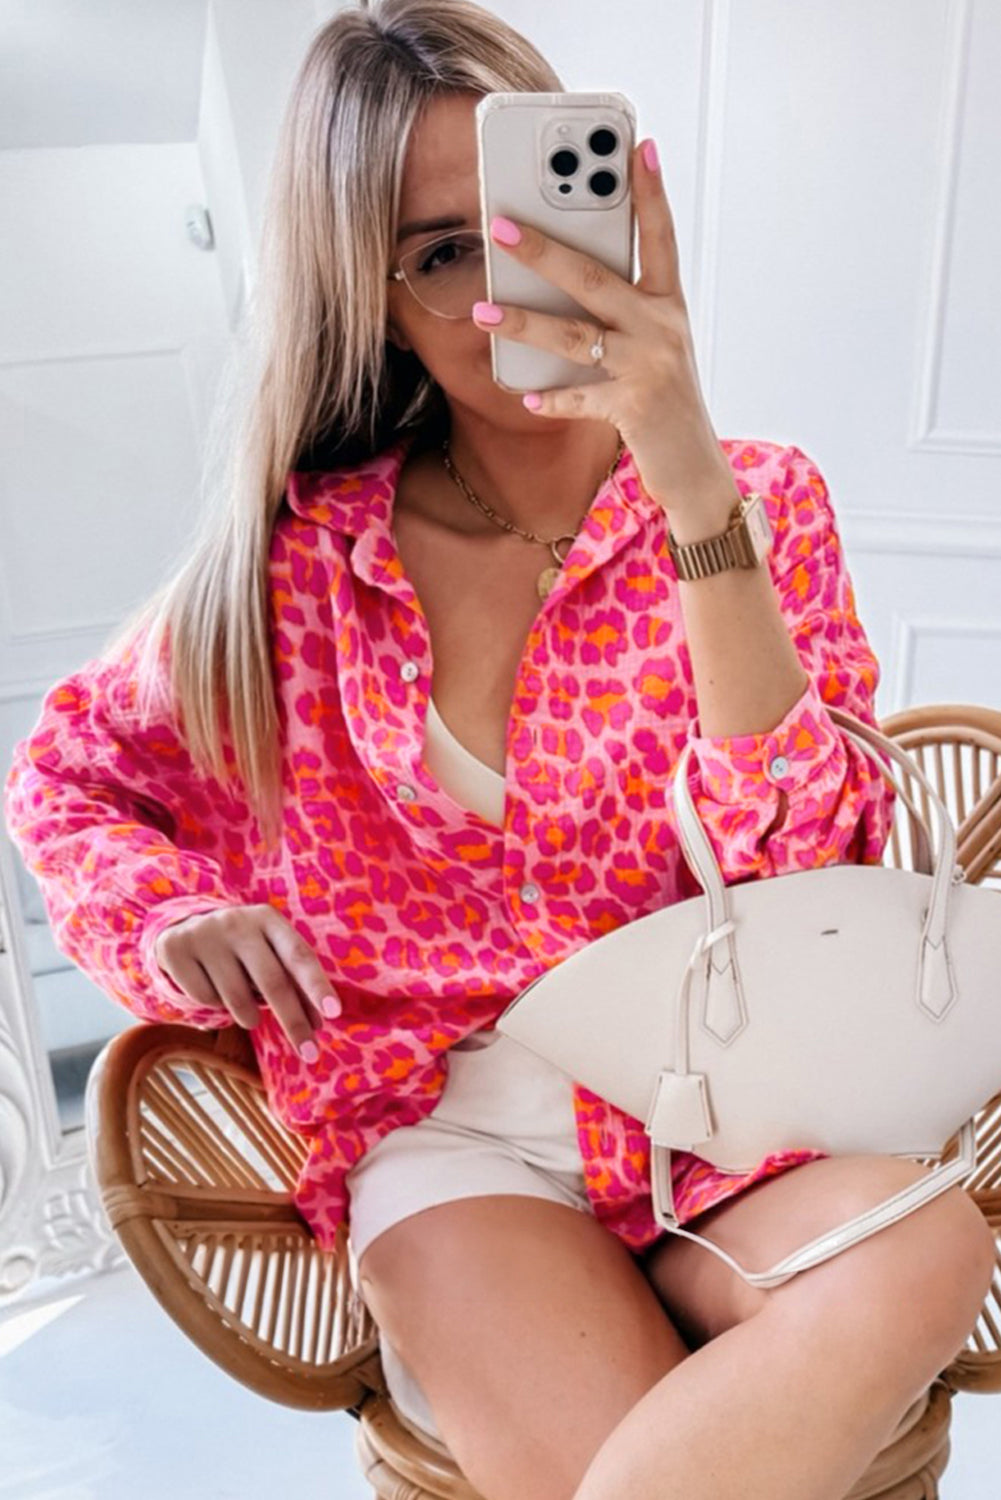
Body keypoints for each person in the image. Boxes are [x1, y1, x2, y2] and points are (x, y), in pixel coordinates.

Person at [3, 4, 994, 1498]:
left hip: (736, 1114)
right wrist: (167, 915)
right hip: (450, 1133)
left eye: (535, 218)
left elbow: (807, 858)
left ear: (621, 213)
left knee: (925, 1245)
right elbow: (71, 778)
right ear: (371, 295)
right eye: (439, 252)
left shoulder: (759, 501)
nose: (500, 293)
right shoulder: (299, 568)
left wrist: (686, 475)